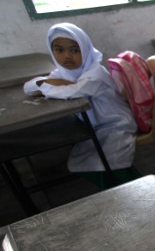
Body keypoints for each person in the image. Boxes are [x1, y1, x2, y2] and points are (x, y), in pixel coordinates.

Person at [23, 22, 138, 188]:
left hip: (116, 125)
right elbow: (29, 87)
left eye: (75, 50)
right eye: (59, 50)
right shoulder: (63, 73)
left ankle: (133, 189)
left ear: (85, 49)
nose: (67, 56)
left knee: (108, 163)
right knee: (85, 162)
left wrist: (47, 85)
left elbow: (73, 92)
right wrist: (48, 82)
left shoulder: (95, 74)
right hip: (93, 127)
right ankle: (114, 190)